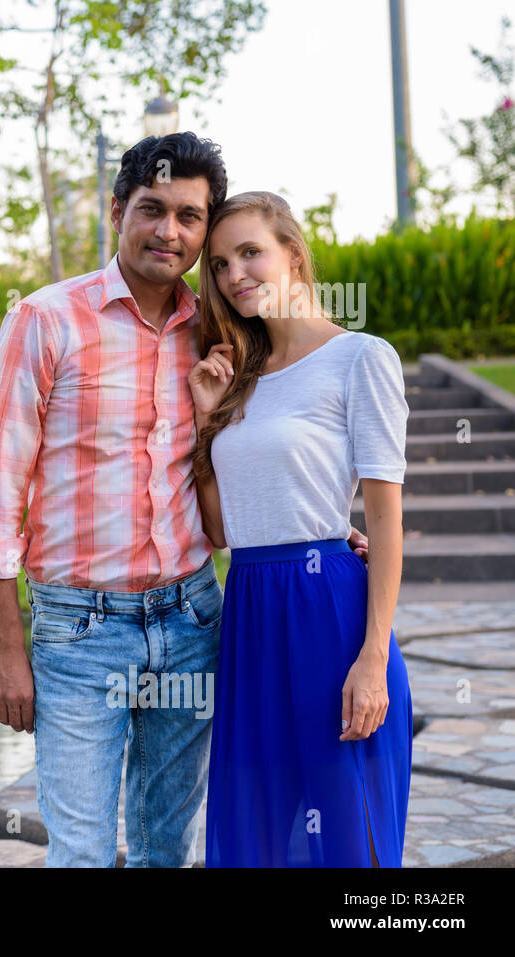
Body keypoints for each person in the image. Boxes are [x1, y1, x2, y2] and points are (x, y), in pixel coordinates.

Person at [0, 133, 372, 867]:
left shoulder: (221, 334)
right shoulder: (46, 321)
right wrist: (6, 646)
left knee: (164, 848)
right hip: (78, 630)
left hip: (192, 620)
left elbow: (257, 456)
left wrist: (325, 536)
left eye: (188, 215)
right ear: (117, 210)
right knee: (80, 851)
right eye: (151, 209)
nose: (168, 231)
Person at [191, 191, 412, 867]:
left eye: (250, 252)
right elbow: (223, 529)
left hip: (329, 611)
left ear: (292, 252)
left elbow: (383, 514)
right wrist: (206, 423)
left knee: (345, 832)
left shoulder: (360, 358)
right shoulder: (239, 379)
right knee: (258, 825)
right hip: (252, 611)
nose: (235, 275)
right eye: (222, 263)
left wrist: (372, 657)